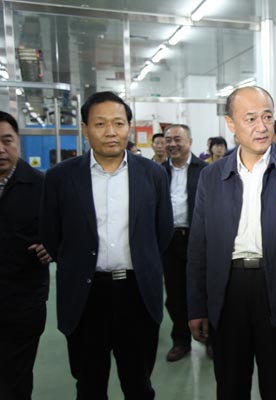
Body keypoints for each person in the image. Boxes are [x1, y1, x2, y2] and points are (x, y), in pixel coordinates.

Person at [40, 91, 173, 399]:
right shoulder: (60, 177)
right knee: (89, 385)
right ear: (85, 129)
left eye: (118, 123)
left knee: (139, 384)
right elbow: (51, 235)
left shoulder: (153, 174)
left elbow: (162, 231)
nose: (111, 131)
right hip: (85, 295)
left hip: (137, 293)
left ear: (129, 127)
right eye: (100, 124)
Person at [186, 86, 276, 400]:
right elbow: (199, 246)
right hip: (228, 288)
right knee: (231, 385)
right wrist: (197, 306)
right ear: (230, 124)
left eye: (267, 117)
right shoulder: (212, 176)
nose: (262, 126)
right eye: (251, 118)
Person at [0, 111, 51, 400]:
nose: (1, 149)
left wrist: (51, 246)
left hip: (23, 300)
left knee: (16, 375)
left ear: (18, 142)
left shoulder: (40, 185)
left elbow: (60, 231)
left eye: (7, 141)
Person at [162, 124, 208, 362]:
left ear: (189, 142)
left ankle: (211, 338)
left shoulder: (205, 171)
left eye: (177, 139)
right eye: (168, 140)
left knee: (205, 289)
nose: (172, 144)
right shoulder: (158, 172)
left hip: (198, 239)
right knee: (175, 294)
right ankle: (181, 340)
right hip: (170, 241)